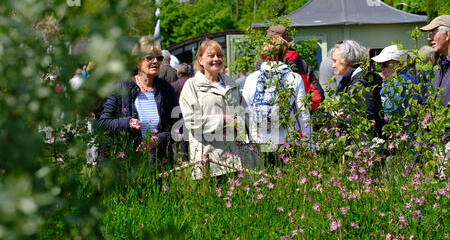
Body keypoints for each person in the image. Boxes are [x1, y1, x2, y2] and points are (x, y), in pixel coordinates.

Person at [98, 36, 180, 165]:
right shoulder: (122, 88)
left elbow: (179, 127)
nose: (155, 61)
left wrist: (158, 140)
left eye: (159, 58)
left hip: (159, 162)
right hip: (127, 162)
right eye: (149, 57)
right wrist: (128, 122)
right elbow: (103, 123)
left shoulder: (166, 89)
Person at [179, 40, 250, 179]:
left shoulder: (232, 85)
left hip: (234, 160)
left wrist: (236, 121)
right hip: (208, 161)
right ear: (200, 60)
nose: (216, 59)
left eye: (219, 55)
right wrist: (222, 119)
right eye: (211, 56)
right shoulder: (192, 86)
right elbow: (191, 122)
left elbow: (246, 115)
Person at [243, 35, 311, 164]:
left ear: (263, 53)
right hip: (287, 140)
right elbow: (303, 114)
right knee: (287, 181)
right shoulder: (294, 78)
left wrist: (245, 141)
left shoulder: (252, 78)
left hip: (259, 139)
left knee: (263, 181)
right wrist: (308, 145)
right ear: (285, 53)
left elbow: (244, 110)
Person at [256, 25, 325, 112]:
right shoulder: (302, 65)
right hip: (295, 121)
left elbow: (252, 97)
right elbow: (318, 96)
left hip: (267, 120)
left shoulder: (261, 66)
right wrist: (303, 112)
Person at [331, 40, 384, 138]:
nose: (333, 65)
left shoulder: (360, 82)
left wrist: (342, 119)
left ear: (345, 59)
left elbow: (368, 117)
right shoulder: (354, 79)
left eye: (335, 61)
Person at [420, 15, 450, 145]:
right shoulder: (439, 67)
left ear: (447, 35)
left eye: (433, 33)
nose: (429, 38)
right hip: (437, 143)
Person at [372, 45, 425, 118]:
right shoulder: (395, 80)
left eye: (385, 64)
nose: (381, 67)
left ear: (400, 64)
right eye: (379, 64)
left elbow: (390, 111)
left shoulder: (399, 82)